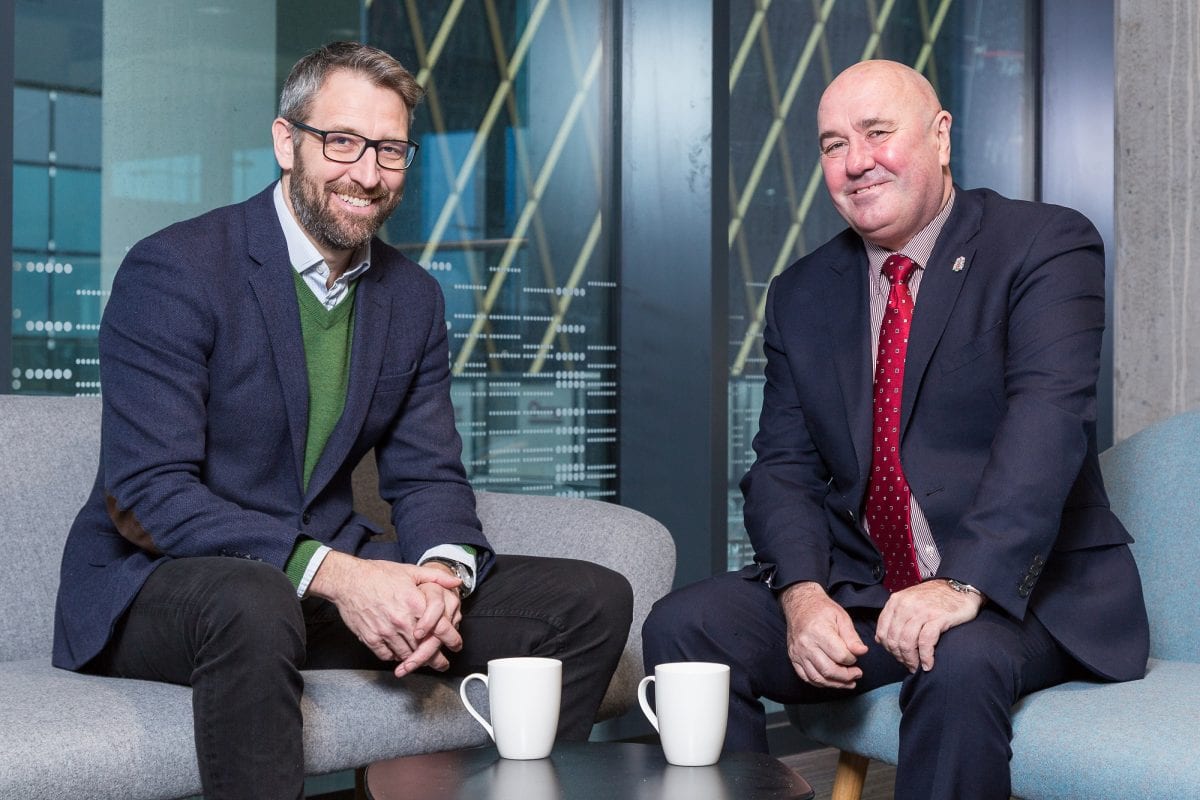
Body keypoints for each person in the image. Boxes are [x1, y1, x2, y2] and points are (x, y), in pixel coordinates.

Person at [53, 41, 632, 800]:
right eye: (343, 142)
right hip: (162, 588)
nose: (367, 173)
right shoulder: (177, 270)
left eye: (389, 150)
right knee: (253, 600)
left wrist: (438, 578)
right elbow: (146, 493)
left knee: (590, 600)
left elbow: (427, 474)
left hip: (311, 589)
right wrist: (340, 575)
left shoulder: (412, 298)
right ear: (286, 142)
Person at [642, 59, 1149, 800]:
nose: (855, 162)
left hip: (1026, 592)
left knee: (958, 659)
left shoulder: (1044, 244)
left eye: (877, 132)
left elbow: (1048, 426)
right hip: (870, 589)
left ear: (941, 136)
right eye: (832, 144)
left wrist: (963, 581)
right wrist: (804, 594)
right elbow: (782, 464)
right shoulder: (803, 291)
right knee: (688, 629)